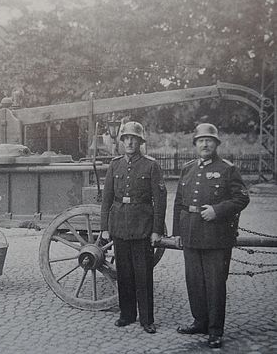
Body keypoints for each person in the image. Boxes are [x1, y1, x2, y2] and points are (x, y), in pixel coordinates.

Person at [173, 123, 249, 349]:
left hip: (216, 237)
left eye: (209, 140)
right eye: (201, 140)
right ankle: (200, 321)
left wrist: (217, 210)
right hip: (191, 234)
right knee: (194, 282)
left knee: (215, 285)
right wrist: (177, 232)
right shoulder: (187, 169)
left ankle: (215, 330)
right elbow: (179, 203)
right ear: (195, 144)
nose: (205, 144)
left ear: (216, 144)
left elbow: (242, 199)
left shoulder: (227, 169)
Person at [100, 121, 167, 334]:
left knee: (143, 275)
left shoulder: (151, 166)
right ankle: (126, 315)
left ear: (140, 142)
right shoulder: (115, 165)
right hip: (119, 226)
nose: (129, 141)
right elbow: (107, 199)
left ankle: (147, 319)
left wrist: (157, 230)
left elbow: (160, 200)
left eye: (134, 138)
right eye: (126, 138)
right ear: (121, 141)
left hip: (142, 227)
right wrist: (104, 227)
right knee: (124, 274)